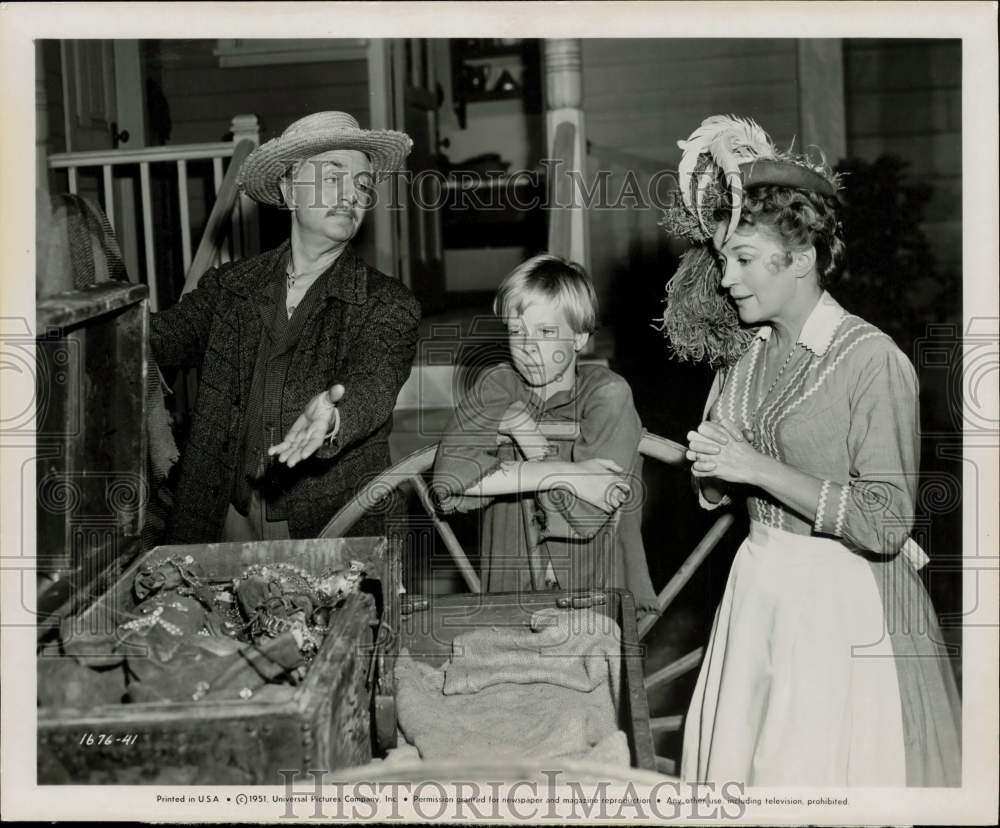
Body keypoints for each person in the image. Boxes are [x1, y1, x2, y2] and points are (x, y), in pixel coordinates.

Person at [659, 115, 961, 786]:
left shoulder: (871, 360)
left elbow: (886, 522)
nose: (727, 279)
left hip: (842, 607)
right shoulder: (747, 350)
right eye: (722, 260)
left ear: (800, 259)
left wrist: (752, 465)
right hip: (758, 593)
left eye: (743, 259)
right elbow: (715, 487)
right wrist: (712, 467)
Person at [150, 111, 420, 543]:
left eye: (363, 184)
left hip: (331, 530)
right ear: (289, 189)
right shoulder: (231, 288)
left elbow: (374, 382)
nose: (351, 194)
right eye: (333, 177)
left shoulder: (386, 303)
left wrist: (334, 417)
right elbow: (153, 342)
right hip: (222, 522)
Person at [432, 254, 659, 614]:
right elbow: (448, 479)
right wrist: (569, 472)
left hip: (591, 599)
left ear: (580, 336)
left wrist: (528, 437)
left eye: (547, 332)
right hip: (508, 597)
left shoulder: (608, 393)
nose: (528, 348)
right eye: (516, 331)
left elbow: (584, 514)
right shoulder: (500, 384)